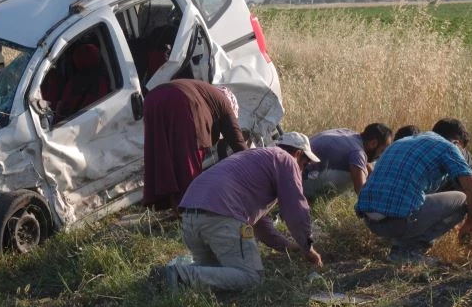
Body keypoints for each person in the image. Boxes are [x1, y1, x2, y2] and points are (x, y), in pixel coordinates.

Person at [150, 132, 324, 291]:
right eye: (305, 164)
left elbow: (259, 224)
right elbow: (296, 209)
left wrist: (287, 246)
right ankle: (181, 276)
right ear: (298, 154)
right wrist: (307, 247)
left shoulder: (258, 160)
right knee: (252, 276)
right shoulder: (286, 160)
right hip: (221, 218)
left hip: (190, 217)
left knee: (217, 274)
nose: (302, 170)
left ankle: (168, 277)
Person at [355, 118, 472, 263]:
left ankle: (401, 244)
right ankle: (408, 250)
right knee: (463, 199)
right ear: (456, 143)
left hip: (370, 221)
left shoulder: (401, 142)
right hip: (397, 223)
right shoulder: (449, 147)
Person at [142, 79, 247, 212]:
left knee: (162, 153)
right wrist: (254, 167)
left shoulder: (206, 93)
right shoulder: (225, 102)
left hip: (151, 100)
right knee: (187, 160)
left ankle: (177, 206)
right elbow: (238, 143)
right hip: (181, 99)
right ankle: (192, 209)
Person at [302, 123, 393, 200]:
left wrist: (378, 179)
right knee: (356, 172)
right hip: (302, 183)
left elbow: (365, 162)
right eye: (381, 151)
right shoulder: (357, 152)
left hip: (297, 172)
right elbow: (361, 192)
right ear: (373, 143)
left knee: (363, 166)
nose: (380, 155)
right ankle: (312, 200)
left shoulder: (350, 135)